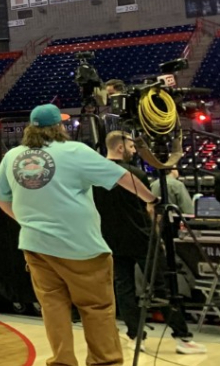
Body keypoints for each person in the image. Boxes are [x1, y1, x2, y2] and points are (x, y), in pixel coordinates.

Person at [0, 105, 157, 366]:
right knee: (96, 307)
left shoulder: (13, 156)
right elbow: (122, 176)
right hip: (80, 245)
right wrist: (152, 199)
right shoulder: (75, 151)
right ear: (59, 126)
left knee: (54, 308)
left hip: (36, 246)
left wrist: (24, 220)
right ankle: (105, 361)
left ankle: (62, 361)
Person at [92, 132, 206, 355]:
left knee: (124, 289)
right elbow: (150, 207)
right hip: (142, 237)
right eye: (132, 147)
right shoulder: (133, 174)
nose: (135, 151)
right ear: (120, 147)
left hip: (111, 239)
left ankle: (136, 337)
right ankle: (182, 337)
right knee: (162, 286)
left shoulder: (94, 176)